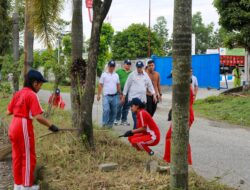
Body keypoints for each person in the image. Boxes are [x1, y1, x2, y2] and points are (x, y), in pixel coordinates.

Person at [7, 70, 59, 190]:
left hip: (14, 124)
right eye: (40, 84)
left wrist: (19, 110)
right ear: (35, 83)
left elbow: (8, 111)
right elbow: (38, 117)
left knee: (17, 156)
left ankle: (18, 186)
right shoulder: (31, 95)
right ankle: (26, 187)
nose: (40, 87)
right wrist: (51, 126)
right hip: (23, 125)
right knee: (28, 157)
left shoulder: (18, 93)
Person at [163, 79, 194, 165]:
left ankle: (170, 160)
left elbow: (183, 103)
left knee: (174, 137)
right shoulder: (182, 87)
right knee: (179, 137)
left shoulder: (185, 88)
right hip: (182, 115)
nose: (173, 80)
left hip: (184, 116)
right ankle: (176, 160)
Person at [122, 61, 157, 129]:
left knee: (141, 117)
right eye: (138, 67)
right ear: (136, 67)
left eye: (140, 67)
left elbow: (149, 85)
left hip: (142, 100)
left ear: (142, 67)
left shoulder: (145, 75)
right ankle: (135, 132)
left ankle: (138, 132)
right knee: (136, 118)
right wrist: (124, 96)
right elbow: (127, 85)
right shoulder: (132, 75)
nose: (139, 69)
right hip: (133, 100)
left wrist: (154, 94)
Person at [97, 60, 122, 128]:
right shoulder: (104, 74)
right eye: (110, 66)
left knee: (114, 111)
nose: (112, 68)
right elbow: (100, 84)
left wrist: (120, 94)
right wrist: (98, 95)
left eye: (113, 66)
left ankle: (110, 125)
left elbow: (118, 85)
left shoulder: (116, 75)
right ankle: (104, 124)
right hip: (106, 96)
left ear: (114, 67)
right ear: (108, 66)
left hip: (115, 96)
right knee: (106, 110)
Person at [114, 59, 132, 126]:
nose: (128, 65)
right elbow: (115, 81)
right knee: (119, 106)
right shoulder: (118, 71)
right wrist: (119, 92)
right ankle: (117, 119)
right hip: (120, 92)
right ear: (124, 64)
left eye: (129, 64)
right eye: (127, 64)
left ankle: (124, 120)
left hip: (128, 92)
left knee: (126, 107)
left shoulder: (132, 73)